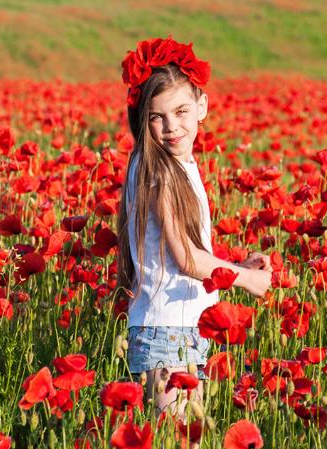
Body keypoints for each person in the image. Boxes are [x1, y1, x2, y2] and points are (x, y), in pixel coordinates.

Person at [115, 37, 273, 427]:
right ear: (142, 119)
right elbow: (186, 257)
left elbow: (176, 255)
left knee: (186, 436)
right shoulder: (159, 172)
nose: (171, 127)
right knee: (182, 437)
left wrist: (230, 265)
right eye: (157, 117)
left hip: (176, 326)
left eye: (181, 111)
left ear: (202, 107)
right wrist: (248, 279)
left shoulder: (175, 166)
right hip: (167, 331)